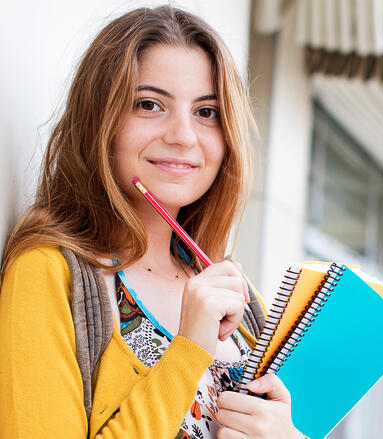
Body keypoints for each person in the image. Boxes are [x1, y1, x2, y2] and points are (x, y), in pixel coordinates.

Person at [0, 6, 304, 438]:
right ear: (99, 121)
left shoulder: (232, 290)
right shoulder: (49, 272)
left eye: (207, 112)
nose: (183, 135)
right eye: (149, 104)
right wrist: (189, 351)